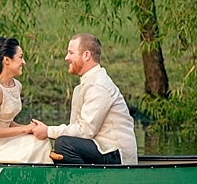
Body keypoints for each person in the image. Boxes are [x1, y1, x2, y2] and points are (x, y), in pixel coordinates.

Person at [32, 33, 138, 165]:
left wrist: (48, 131)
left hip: (117, 154)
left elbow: (85, 131)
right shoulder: (83, 87)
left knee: (64, 144)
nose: (66, 58)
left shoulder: (98, 86)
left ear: (86, 55)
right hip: (102, 148)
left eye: (71, 53)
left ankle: (83, 183)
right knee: (63, 143)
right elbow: (76, 130)